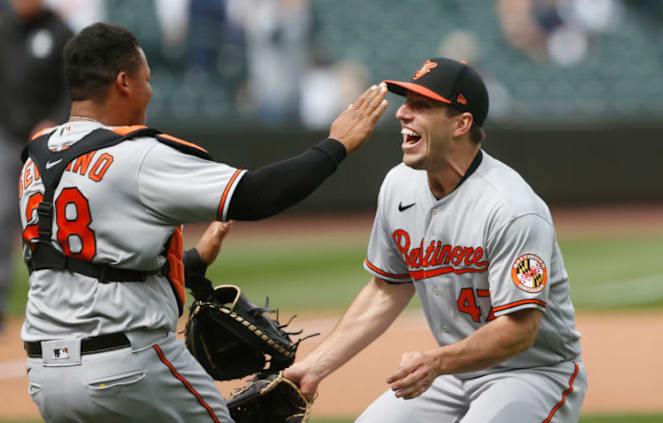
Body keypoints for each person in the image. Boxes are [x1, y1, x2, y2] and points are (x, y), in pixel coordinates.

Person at [19, 22, 387, 423]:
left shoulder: (36, 159)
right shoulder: (137, 155)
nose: (150, 90)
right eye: (147, 79)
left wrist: (191, 262)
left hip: (45, 377)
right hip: (128, 369)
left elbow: (78, 265)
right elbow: (257, 195)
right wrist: (337, 145)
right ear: (124, 82)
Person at [284, 57, 587, 422]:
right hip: (454, 371)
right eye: (406, 102)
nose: (402, 114)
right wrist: (316, 365)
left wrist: (437, 362)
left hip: (532, 372)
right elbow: (387, 288)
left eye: (421, 106)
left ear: (461, 123)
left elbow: (519, 332)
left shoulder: (512, 208)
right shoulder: (398, 185)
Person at [0, 0, 73, 333]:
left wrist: (53, 121)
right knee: (2, 218)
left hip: (49, 145)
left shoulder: (60, 32)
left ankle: (57, 308)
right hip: (7, 140)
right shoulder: (3, 30)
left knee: (52, 222)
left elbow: (75, 88)